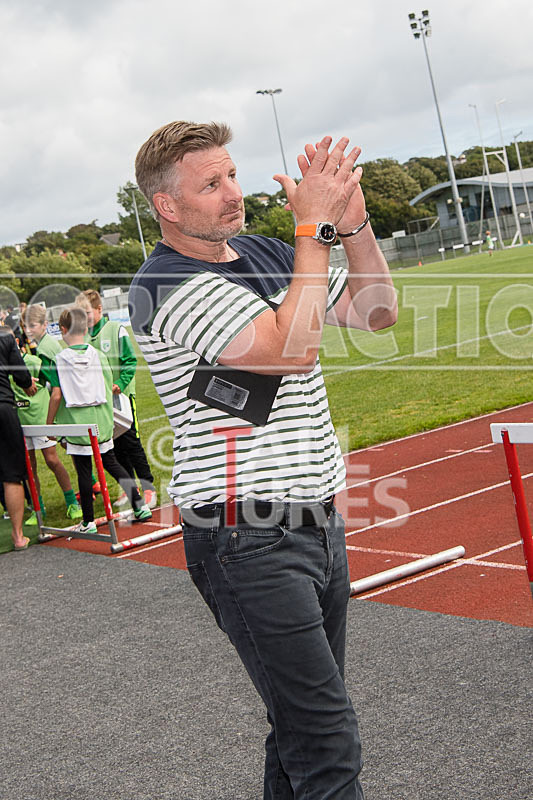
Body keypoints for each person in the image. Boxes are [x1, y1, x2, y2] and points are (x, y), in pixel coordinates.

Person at [129, 120, 397, 799]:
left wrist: (353, 226)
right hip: (244, 535)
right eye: (210, 184)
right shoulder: (163, 284)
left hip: (315, 521)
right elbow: (289, 349)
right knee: (326, 738)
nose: (232, 194)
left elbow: (376, 311)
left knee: (300, 730)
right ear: (167, 205)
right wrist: (313, 232)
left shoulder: (263, 251)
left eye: (232, 175)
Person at [45, 307, 152, 534]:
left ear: (62, 330)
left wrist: (49, 423)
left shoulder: (59, 360)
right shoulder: (99, 355)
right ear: (85, 328)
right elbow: (106, 386)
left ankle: (89, 521)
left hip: (76, 424)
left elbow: (56, 394)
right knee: (112, 464)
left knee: (84, 471)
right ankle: (139, 506)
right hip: (102, 422)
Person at [75, 289, 157, 509]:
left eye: (87, 312)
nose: (84, 317)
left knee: (132, 442)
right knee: (115, 446)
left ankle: (148, 488)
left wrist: (119, 384)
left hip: (122, 397)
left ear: (99, 309)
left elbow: (131, 361)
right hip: (102, 402)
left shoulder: (116, 329)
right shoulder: (84, 338)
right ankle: (130, 489)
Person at [24, 303, 102, 499]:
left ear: (45, 325)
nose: (28, 330)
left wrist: (49, 423)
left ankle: (92, 485)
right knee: (70, 445)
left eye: (32, 325)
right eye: (25, 326)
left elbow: (55, 386)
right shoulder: (46, 343)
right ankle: (93, 483)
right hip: (66, 400)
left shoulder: (45, 348)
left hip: (65, 404)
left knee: (74, 446)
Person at [9, 333, 82, 523]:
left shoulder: (34, 361)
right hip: (20, 422)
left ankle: (72, 502)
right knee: (29, 469)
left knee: (52, 460)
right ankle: (38, 509)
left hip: (40, 419)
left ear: (16, 342)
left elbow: (55, 384)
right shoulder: (4, 367)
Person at [0, 326, 37, 550]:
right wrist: (28, 384)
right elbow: (21, 374)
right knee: (12, 474)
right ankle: (18, 535)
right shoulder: (5, 338)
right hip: (3, 408)